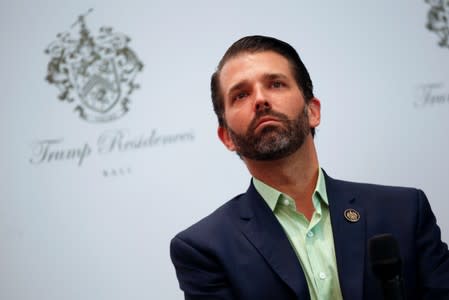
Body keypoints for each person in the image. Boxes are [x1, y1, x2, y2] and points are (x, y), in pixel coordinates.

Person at [170, 35, 449, 299]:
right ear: (227, 137)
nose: (260, 100)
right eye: (240, 95)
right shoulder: (203, 248)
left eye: (276, 84)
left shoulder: (404, 210)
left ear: (312, 111)